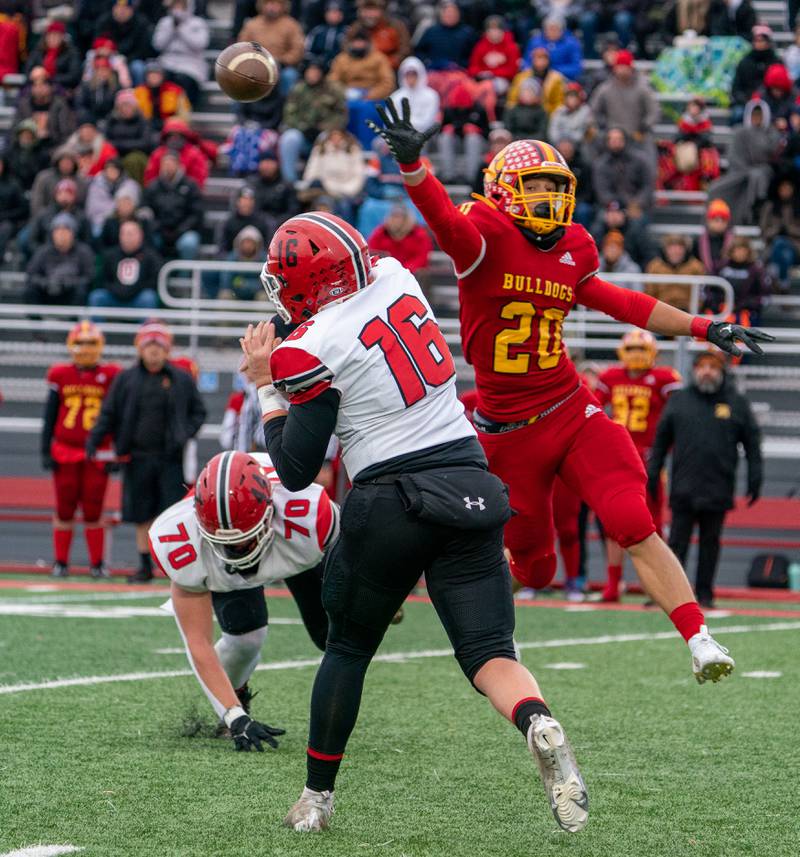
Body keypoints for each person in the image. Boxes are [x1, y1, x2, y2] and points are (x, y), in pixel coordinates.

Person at [375, 101, 769, 689]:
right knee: (535, 566)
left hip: (569, 408)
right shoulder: (482, 235)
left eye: (555, 187)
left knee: (630, 518)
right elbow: (440, 219)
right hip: (506, 434)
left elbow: (624, 303)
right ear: (504, 191)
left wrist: (705, 326)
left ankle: (699, 636)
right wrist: (413, 164)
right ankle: (465, 596)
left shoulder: (575, 245)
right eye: (535, 187)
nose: (548, 199)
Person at [241, 211, 589, 835]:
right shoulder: (400, 277)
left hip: (391, 500)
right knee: (488, 653)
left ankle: (317, 798)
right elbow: (344, 319)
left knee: (347, 649)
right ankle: (536, 718)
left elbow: (295, 468)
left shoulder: (304, 351)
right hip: (471, 484)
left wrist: (269, 385)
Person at [149, 450, 334, 746]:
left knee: (332, 636)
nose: (236, 550)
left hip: (289, 543)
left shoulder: (310, 514)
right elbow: (197, 642)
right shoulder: (179, 538)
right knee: (245, 639)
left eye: (243, 539)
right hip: (244, 554)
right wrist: (234, 717)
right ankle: (236, 695)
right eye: (226, 541)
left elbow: (355, 553)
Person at [87, 320, 206, 583]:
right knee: (141, 514)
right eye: (149, 346)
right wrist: (94, 441)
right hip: (137, 457)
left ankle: (175, 566)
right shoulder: (126, 379)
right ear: (139, 349)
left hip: (170, 458)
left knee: (173, 513)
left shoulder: (182, 380)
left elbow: (199, 413)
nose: (153, 352)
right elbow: (109, 413)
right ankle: (144, 566)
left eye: (158, 347)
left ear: (167, 350)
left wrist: (184, 434)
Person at [648, 350, 763, 607]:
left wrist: (756, 477)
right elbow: (660, 443)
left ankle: (705, 594)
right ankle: (670, 595)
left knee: (710, 544)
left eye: (713, 366)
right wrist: (653, 475)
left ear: (722, 372)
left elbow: (753, 443)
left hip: (718, 486)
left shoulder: (737, 402)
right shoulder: (679, 401)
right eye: (702, 366)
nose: (707, 371)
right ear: (694, 370)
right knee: (676, 543)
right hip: (684, 487)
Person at [593, 331, 682, 601]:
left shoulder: (665, 379)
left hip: (650, 460)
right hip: (617, 456)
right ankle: (613, 584)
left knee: (652, 524)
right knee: (612, 523)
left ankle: (656, 585)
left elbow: (679, 414)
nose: (635, 354)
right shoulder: (610, 377)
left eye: (640, 348)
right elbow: (592, 407)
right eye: (631, 348)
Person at [42, 322, 122, 579]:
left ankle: (97, 563)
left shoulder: (110, 375)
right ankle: (60, 562)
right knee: (64, 509)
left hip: (97, 452)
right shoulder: (60, 374)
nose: (86, 349)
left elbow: (115, 418)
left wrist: (116, 451)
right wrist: (45, 449)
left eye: (91, 343)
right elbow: (50, 415)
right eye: (81, 343)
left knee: (93, 509)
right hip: (65, 450)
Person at [705, 99, 780, 225]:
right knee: (715, 190)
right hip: (739, 172)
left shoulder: (771, 133)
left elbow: (772, 154)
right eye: (754, 115)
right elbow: (733, 157)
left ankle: (754, 215)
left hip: (764, 172)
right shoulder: (739, 132)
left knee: (757, 177)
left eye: (760, 115)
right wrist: (746, 171)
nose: (757, 118)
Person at [279, 55, 348, 184]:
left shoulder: (334, 89)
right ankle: (289, 181)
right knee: (289, 138)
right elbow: (289, 115)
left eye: (316, 71)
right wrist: (303, 128)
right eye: (310, 71)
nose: (313, 75)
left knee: (326, 138)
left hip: (325, 134)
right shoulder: (298, 89)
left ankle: (324, 181)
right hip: (303, 133)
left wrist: (325, 128)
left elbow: (341, 115)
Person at [327, 26, 395, 148]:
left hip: (371, 97)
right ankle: (346, 147)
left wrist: (369, 95)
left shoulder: (378, 58)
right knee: (343, 109)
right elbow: (332, 81)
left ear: (367, 43)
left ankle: (367, 148)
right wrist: (344, 92)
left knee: (366, 111)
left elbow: (387, 82)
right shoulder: (341, 59)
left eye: (361, 41)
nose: (358, 44)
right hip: (348, 95)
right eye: (355, 41)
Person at [589, 49, 659, 144]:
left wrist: (644, 128)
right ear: (615, 68)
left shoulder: (642, 88)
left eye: (624, 66)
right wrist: (603, 127)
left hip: (637, 136)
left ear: (630, 68)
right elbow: (593, 110)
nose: (622, 70)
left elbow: (654, 110)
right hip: (612, 138)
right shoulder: (605, 88)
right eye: (619, 66)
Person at [89, 220, 162, 311]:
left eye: (131, 234)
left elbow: (153, 281)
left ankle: (146, 325)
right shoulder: (110, 255)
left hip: (138, 296)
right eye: (124, 233)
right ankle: (98, 325)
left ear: (140, 235)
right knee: (97, 296)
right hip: (114, 296)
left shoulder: (151, 256)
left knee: (148, 297)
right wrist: (117, 290)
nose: (127, 237)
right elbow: (103, 279)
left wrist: (132, 290)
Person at [142, 150, 202, 260]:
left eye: (171, 163)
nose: (167, 167)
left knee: (189, 243)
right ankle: (155, 273)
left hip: (184, 231)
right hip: (159, 231)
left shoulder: (191, 186)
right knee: (148, 239)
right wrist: (158, 228)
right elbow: (146, 210)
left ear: (178, 165)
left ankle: (185, 275)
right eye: (165, 164)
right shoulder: (153, 186)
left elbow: (196, 214)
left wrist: (180, 230)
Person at [591, 127, 654, 230]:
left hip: (636, 206)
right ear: (607, 142)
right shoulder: (600, 164)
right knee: (597, 228)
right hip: (609, 207)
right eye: (612, 139)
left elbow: (647, 186)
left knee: (636, 226)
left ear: (625, 140)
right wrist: (615, 208)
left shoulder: (640, 161)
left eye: (618, 139)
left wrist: (637, 203)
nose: (615, 142)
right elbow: (602, 191)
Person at [25, 213, 95, 307]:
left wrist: (67, 283)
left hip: (71, 293)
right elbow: (31, 275)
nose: (61, 234)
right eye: (57, 230)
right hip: (47, 291)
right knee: (31, 290)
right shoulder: (43, 251)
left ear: (73, 233)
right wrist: (46, 283)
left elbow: (89, 277)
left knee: (81, 291)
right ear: (52, 234)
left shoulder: (84, 252)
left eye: (65, 230)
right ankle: (36, 321)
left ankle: (73, 320)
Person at [238, 0, 305, 94]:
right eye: (269, 3)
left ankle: (287, 107)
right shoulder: (252, 25)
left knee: (290, 76)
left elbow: (297, 49)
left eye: (276, 4)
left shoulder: (291, 25)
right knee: (238, 77)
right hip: (255, 67)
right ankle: (242, 105)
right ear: (262, 5)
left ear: (283, 6)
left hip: (282, 67)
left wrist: (281, 61)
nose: (272, 7)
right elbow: (242, 47)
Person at [300, 129, 366, 223]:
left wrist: (344, 191)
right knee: (322, 204)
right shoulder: (320, 150)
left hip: (347, 192)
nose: (336, 139)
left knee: (345, 206)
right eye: (333, 136)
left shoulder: (353, 150)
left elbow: (358, 177)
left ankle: (345, 233)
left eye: (338, 136)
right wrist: (326, 186)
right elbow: (310, 174)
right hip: (325, 190)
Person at [152, 0, 209, 105]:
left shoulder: (198, 22)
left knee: (183, 79)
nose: (178, 9)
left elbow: (200, 44)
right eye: (175, 6)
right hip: (167, 60)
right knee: (160, 76)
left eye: (181, 6)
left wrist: (181, 28)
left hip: (191, 62)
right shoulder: (165, 22)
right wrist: (171, 28)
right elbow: (158, 45)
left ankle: (184, 108)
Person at [13, 66, 77, 153]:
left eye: (43, 85)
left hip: (54, 147)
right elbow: (15, 129)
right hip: (28, 148)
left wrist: (48, 133)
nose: (39, 89)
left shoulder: (60, 105)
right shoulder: (24, 105)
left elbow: (66, 132)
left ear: (50, 87)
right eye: (35, 86)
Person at [710, 236, 771, 325]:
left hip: (746, 312)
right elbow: (709, 290)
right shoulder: (720, 267)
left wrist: (744, 304)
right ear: (731, 251)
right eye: (737, 249)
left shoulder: (757, 270)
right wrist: (718, 304)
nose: (739, 253)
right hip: (721, 310)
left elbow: (765, 297)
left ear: (748, 251)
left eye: (743, 250)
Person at [94, 0, 154, 85]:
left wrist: (126, 60)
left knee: (138, 67)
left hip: (132, 59)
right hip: (109, 58)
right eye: (118, 8)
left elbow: (143, 50)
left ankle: (138, 94)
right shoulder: (104, 22)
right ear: (113, 8)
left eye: (125, 8)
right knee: (92, 64)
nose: (121, 11)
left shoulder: (141, 23)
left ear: (132, 10)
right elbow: (98, 43)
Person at [759, 172, 800, 293]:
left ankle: (776, 277)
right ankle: (783, 282)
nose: (785, 191)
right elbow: (763, 231)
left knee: (782, 244)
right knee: (782, 249)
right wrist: (776, 230)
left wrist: (789, 229)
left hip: (796, 248)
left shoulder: (798, 206)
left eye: (788, 188)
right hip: (773, 246)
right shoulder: (770, 207)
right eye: (783, 188)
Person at [367, 201, 433, 275]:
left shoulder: (419, 234)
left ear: (407, 218)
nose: (396, 220)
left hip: (411, 274)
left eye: (400, 217)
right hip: (386, 273)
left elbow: (422, 258)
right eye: (394, 216)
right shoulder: (380, 233)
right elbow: (373, 253)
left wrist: (404, 271)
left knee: (422, 273)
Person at [644, 234, 706, 312]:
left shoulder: (696, 267)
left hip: (687, 312)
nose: (675, 251)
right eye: (671, 247)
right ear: (665, 249)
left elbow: (701, 295)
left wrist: (693, 310)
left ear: (685, 249)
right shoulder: (654, 267)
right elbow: (649, 293)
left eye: (680, 247)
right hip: (661, 310)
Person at [144, 118, 209, 189]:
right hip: (160, 195)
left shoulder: (194, 154)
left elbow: (198, 181)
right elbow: (150, 179)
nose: (174, 139)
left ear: (184, 136)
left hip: (186, 194)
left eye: (178, 136)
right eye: (171, 135)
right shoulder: (157, 154)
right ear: (166, 137)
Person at [730, 25, 780, 118]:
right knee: (737, 115)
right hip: (746, 102)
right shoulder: (744, 62)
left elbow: (780, 89)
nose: (759, 43)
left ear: (768, 42)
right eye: (756, 40)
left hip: (770, 103)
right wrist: (747, 101)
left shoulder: (776, 62)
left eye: (762, 40)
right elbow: (736, 88)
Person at [104, 89, 152, 184]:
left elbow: (145, 143)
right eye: (123, 106)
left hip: (137, 154)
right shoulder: (112, 120)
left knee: (133, 160)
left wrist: (121, 145)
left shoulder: (142, 121)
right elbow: (107, 141)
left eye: (129, 105)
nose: (126, 108)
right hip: (116, 153)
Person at [414, 0, 477, 70]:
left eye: (453, 13)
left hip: (460, 71)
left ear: (459, 14)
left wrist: (462, 65)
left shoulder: (468, 33)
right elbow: (419, 51)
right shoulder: (431, 31)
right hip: (434, 71)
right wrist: (428, 62)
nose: (450, 15)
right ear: (442, 14)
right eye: (448, 13)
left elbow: (476, 55)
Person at [133, 60, 192, 135]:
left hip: (169, 126)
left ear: (163, 76)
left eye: (157, 75)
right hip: (145, 126)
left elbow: (184, 114)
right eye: (150, 75)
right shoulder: (138, 92)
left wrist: (171, 122)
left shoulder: (175, 91)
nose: (153, 77)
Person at [85, 158, 139, 236]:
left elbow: (131, 207)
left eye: (114, 169)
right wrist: (115, 208)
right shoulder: (96, 185)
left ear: (120, 171)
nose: (111, 172)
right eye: (109, 169)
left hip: (124, 220)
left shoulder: (130, 185)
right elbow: (93, 209)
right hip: (100, 222)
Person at [349, 0, 409, 69]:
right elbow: (346, 47)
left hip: (390, 69)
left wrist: (389, 62)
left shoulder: (395, 26)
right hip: (361, 68)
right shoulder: (355, 28)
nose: (369, 15)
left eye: (373, 10)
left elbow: (405, 50)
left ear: (381, 11)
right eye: (366, 10)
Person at [30, 146, 87, 220]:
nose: (66, 164)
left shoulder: (81, 181)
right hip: (45, 219)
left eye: (69, 162)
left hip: (73, 220)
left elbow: (83, 205)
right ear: (58, 162)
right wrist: (42, 220)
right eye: (63, 161)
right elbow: (37, 203)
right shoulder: (44, 178)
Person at [24, 20, 82, 91]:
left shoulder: (71, 53)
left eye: (56, 35)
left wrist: (48, 77)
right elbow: (27, 71)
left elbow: (74, 76)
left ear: (62, 37)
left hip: (61, 88)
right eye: (50, 35)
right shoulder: (38, 51)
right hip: (37, 87)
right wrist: (34, 74)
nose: (53, 38)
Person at [467, 15, 522, 90]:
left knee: (491, 86)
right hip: (482, 78)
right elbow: (473, 66)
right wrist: (480, 73)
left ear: (502, 31)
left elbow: (512, 70)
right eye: (491, 29)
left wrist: (492, 73)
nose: (494, 32)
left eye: (497, 29)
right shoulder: (480, 45)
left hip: (503, 80)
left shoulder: (511, 46)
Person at [389, 56, 440, 137]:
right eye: (408, 74)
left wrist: (406, 125)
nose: (411, 78)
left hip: (424, 135)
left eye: (413, 74)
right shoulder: (395, 97)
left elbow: (428, 121)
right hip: (400, 136)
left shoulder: (431, 95)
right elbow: (391, 120)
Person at [246, 150, 300, 224]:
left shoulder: (287, 185)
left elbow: (293, 211)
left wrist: (277, 222)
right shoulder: (252, 184)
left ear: (277, 164)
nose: (267, 166)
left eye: (270, 162)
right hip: (256, 225)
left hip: (280, 225)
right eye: (264, 162)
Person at [523, 16, 583, 82]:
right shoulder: (535, 42)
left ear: (562, 30)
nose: (552, 32)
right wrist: (536, 69)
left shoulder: (572, 43)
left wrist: (552, 70)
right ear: (544, 29)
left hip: (563, 78)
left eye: (555, 29)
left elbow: (576, 68)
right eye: (550, 29)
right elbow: (526, 63)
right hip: (537, 77)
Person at [507, 46, 565, 114]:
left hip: (546, 114)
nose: (540, 62)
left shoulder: (556, 78)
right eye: (537, 58)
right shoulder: (521, 77)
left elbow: (558, 103)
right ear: (533, 60)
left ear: (548, 60)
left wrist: (549, 116)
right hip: (524, 114)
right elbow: (512, 100)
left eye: (544, 59)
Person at [693, 198, 734, 275]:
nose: (719, 224)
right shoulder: (698, 242)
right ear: (708, 221)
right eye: (716, 220)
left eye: (723, 220)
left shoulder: (734, 242)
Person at [0, 152, 29, 259]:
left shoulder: (13, 184)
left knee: (4, 229)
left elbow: (23, 209)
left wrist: (4, 216)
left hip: (8, 221)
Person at [548, 82, 593, 147]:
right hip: (559, 145)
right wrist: (561, 142)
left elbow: (582, 134)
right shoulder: (559, 111)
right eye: (570, 96)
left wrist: (568, 141)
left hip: (578, 147)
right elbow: (552, 132)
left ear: (580, 97)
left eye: (575, 96)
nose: (572, 99)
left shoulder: (585, 111)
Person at [305, 0, 347, 71]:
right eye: (330, 12)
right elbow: (308, 51)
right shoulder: (317, 31)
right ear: (325, 14)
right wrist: (317, 61)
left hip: (340, 66)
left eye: (336, 12)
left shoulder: (347, 32)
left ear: (341, 15)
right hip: (318, 66)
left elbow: (348, 53)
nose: (333, 15)